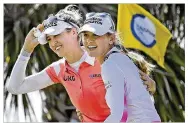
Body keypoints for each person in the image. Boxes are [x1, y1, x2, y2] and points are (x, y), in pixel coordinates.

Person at [7, 5, 156, 122]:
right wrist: (26, 50)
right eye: (49, 39)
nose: (53, 42)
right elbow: (15, 87)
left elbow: (142, 95)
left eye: (56, 35)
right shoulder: (58, 69)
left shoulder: (106, 58)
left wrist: (151, 86)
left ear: (73, 32)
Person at [79, 12, 161, 122]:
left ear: (111, 39)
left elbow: (118, 114)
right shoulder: (118, 58)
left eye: (96, 35)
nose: (89, 40)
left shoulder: (110, 64)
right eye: (85, 35)